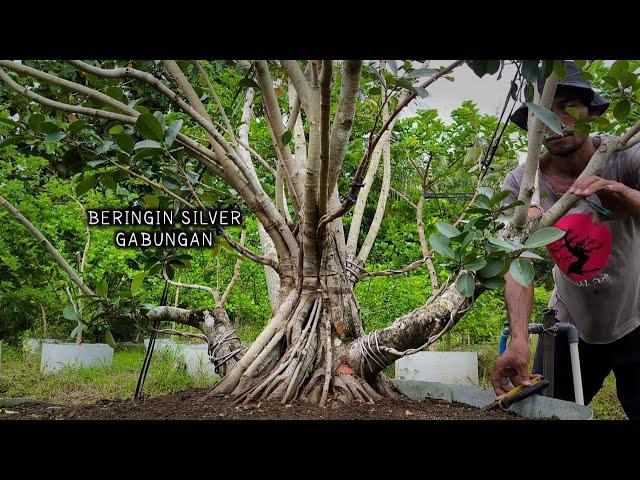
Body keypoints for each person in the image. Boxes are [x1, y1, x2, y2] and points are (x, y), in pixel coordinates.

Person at [490, 61, 640, 419]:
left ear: (591, 113)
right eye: (544, 111)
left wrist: (621, 194)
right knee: (546, 412)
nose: (556, 121)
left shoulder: (625, 160)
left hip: (635, 315)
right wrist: (520, 340)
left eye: (568, 106)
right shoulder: (522, 185)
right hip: (570, 321)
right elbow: (517, 262)